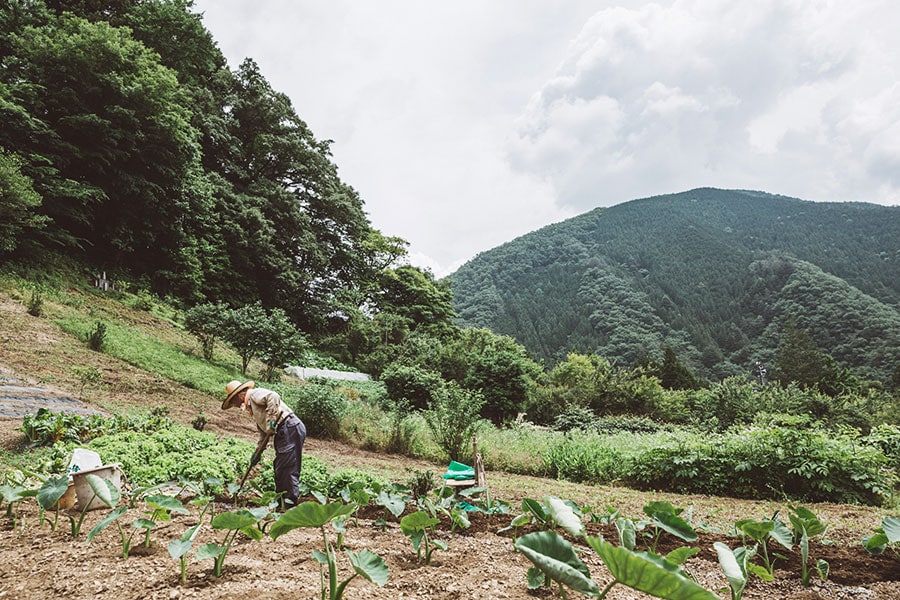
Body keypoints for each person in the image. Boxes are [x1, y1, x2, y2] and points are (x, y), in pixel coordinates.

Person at [222, 380, 307, 508]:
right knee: (280, 467)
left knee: (287, 468)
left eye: (234, 401)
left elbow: (273, 396)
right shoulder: (254, 408)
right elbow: (264, 435)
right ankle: (283, 503)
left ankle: (288, 506)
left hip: (289, 427)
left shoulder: (255, 394)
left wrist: (271, 420)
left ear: (240, 395)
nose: (235, 404)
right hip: (285, 430)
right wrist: (257, 453)